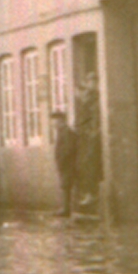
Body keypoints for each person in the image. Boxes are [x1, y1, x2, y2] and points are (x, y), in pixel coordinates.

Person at [73, 71, 102, 212]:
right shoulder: (87, 99)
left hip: (94, 134)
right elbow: (83, 118)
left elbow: (96, 117)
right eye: (91, 81)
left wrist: (95, 131)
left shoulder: (97, 98)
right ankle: (89, 193)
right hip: (86, 134)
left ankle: (92, 193)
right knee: (84, 164)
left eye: (95, 81)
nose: (93, 84)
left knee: (92, 162)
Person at [52, 109, 77, 217]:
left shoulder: (67, 132)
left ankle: (67, 209)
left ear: (61, 121)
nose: (53, 124)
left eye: (55, 121)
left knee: (67, 186)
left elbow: (68, 149)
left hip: (69, 164)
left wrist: (62, 160)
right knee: (65, 186)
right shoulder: (62, 132)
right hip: (64, 164)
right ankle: (66, 208)